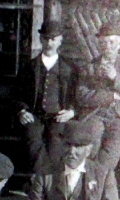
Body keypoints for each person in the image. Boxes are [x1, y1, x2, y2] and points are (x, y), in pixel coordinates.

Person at [76, 20, 120, 170]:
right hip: (95, 114)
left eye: (112, 42)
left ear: (119, 44)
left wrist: (116, 78)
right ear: (99, 45)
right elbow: (81, 96)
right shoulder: (90, 67)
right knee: (91, 139)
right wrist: (110, 97)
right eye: (104, 43)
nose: (108, 47)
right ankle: (89, 177)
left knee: (114, 146)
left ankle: (97, 178)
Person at [16, 20, 77, 165]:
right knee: (33, 142)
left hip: (58, 116)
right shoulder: (30, 66)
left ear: (60, 40)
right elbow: (17, 93)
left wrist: (72, 111)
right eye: (45, 38)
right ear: (40, 39)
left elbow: (76, 95)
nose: (49, 43)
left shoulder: (69, 68)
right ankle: (41, 180)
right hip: (34, 115)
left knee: (55, 144)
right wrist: (22, 111)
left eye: (53, 39)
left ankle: (49, 181)